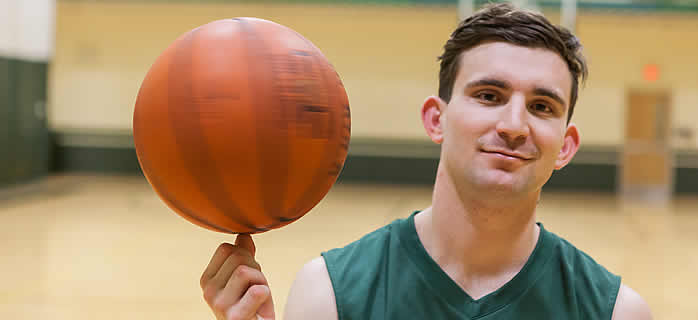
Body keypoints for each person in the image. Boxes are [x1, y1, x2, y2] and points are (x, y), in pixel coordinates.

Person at [199, 3, 653, 319]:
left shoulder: (614, 311)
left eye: (542, 107)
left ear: (567, 146)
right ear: (436, 119)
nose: (515, 125)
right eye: (489, 95)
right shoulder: (331, 294)